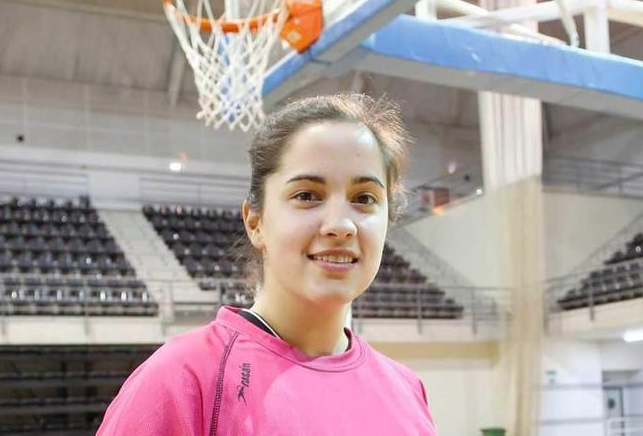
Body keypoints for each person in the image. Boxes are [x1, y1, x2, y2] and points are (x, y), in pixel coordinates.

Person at [97, 94, 436, 435]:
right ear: (255, 221)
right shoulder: (183, 380)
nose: (341, 224)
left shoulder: (406, 389)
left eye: (364, 198)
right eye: (307, 195)